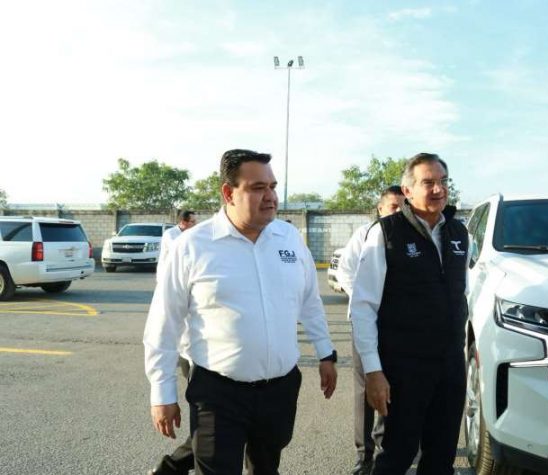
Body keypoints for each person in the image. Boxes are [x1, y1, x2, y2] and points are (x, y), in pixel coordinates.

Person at [144, 149, 338, 475]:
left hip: (279, 390)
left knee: (266, 468)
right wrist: (161, 392)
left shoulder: (288, 238)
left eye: (272, 186)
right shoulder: (192, 245)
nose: (271, 196)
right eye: (257, 188)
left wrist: (325, 353)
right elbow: (164, 323)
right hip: (218, 393)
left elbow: (309, 301)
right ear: (228, 192)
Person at [351, 153, 468, 475]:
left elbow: (463, 295)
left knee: (441, 457)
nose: (438, 189)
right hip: (404, 368)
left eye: (443, 181)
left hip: (449, 365)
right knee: (396, 456)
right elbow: (363, 306)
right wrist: (373, 371)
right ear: (407, 190)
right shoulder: (386, 233)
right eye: (428, 182)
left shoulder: (459, 232)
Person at [336, 186, 404, 475]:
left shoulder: (410, 235)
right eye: (393, 206)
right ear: (380, 208)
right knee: (365, 389)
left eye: (404, 206)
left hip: (398, 327)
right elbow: (346, 272)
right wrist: (366, 301)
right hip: (366, 322)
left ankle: (384, 446)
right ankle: (364, 455)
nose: (399, 212)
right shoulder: (365, 234)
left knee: (394, 386)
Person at [148, 209, 197, 475]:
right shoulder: (178, 240)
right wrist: (162, 393)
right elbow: (162, 326)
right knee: (213, 432)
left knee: (229, 432)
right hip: (197, 356)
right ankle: (170, 468)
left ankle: (170, 469)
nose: (194, 224)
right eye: (191, 221)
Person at [157, 210, 197, 278]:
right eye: (193, 222)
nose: (195, 224)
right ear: (183, 222)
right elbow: (179, 250)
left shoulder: (190, 234)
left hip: (183, 274)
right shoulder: (170, 234)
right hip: (168, 273)